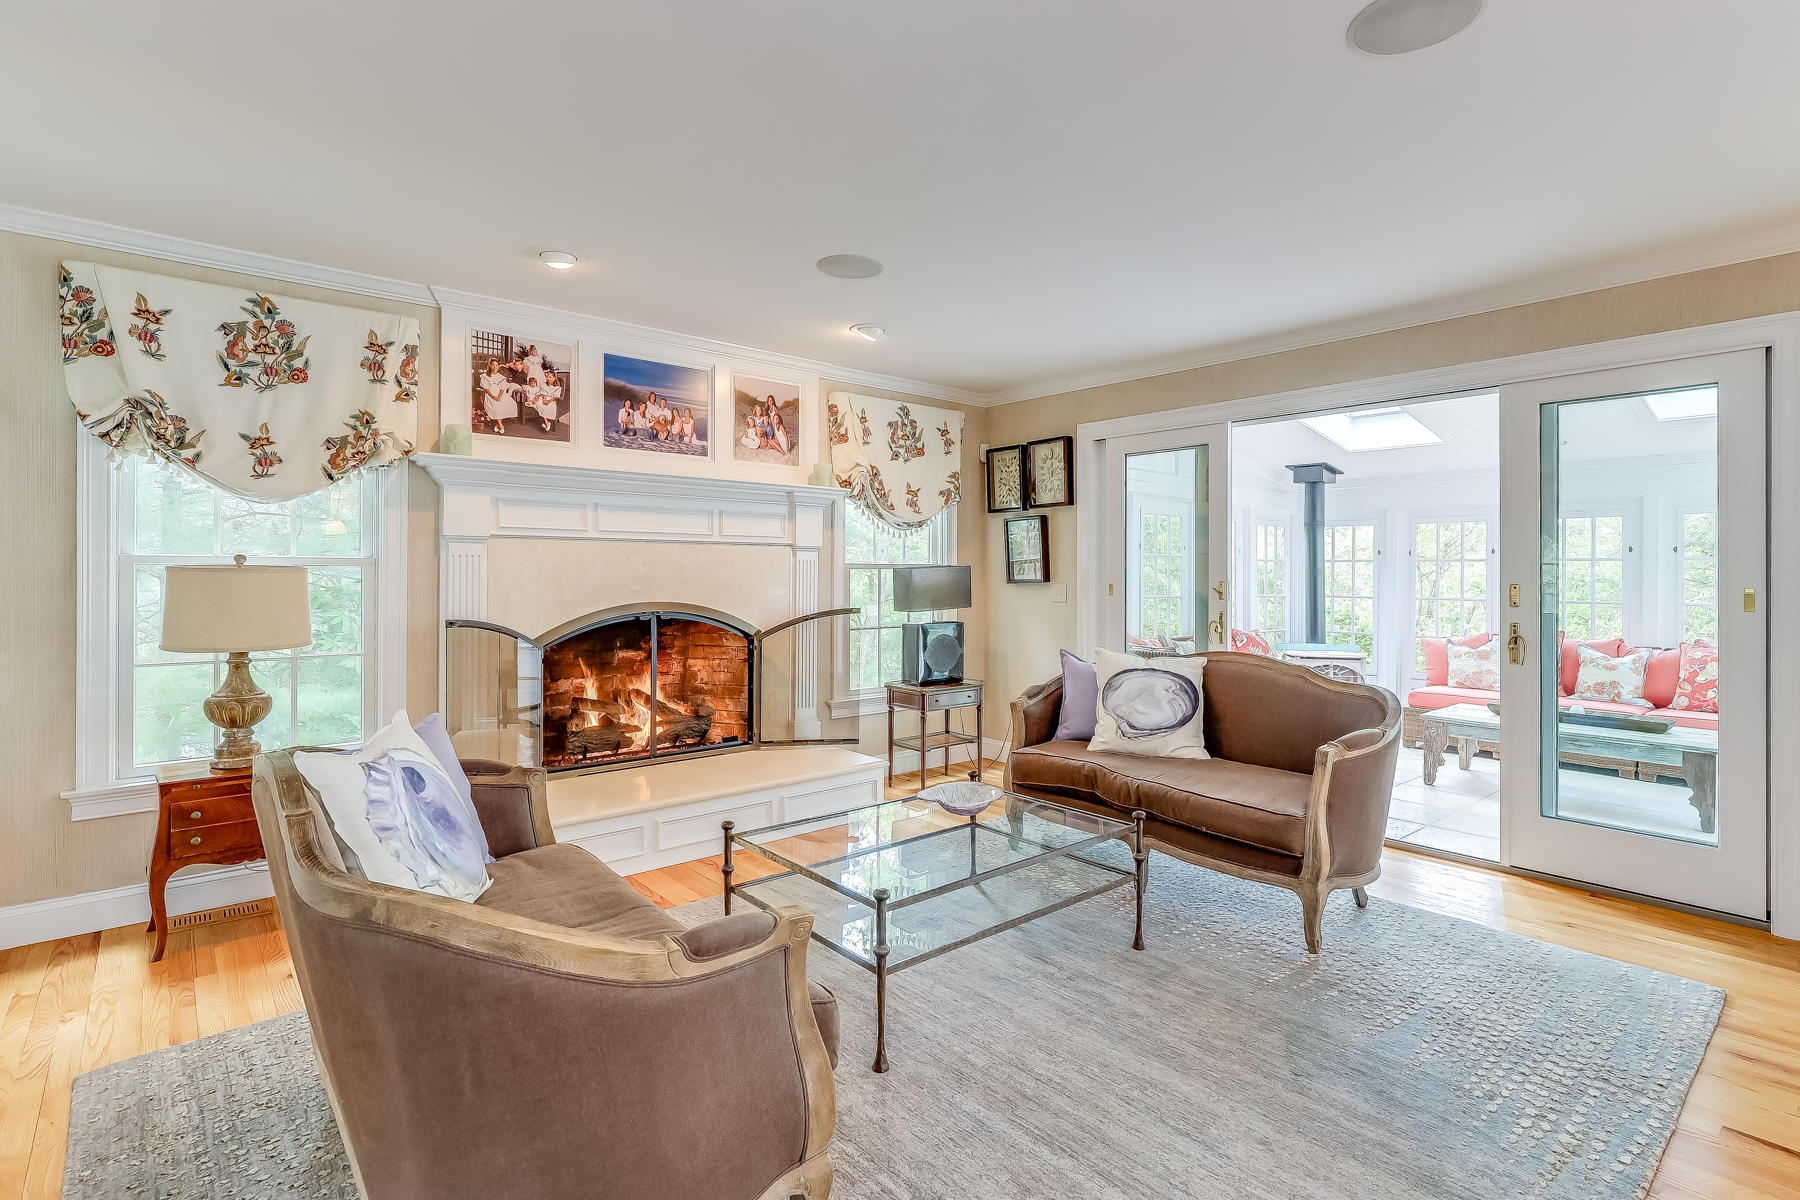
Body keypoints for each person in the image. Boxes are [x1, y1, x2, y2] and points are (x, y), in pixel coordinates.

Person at [479, 359, 516, 433]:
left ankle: (498, 425)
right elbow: (486, 389)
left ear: (498, 366)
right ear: (490, 366)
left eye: (496, 365)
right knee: (497, 407)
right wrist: (493, 397)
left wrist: (499, 397)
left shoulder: (501, 377)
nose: (495, 367)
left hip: (500, 394)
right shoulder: (485, 376)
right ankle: (500, 426)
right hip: (490, 395)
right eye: (493, 365)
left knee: (510, 403)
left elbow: (502, 389)